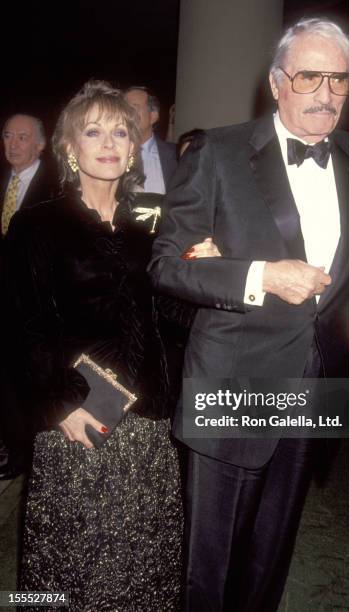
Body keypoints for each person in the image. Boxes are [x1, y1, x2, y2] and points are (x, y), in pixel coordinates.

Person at [149, 17, 349, 612]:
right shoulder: (218, 152)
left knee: (271, 555)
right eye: (309, 76)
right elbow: (166, 265)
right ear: (277, 83)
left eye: (339, 79)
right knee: (211, 567)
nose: (325, 93)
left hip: (314, 380)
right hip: (232, 377)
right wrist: (259, 276)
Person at [6, 80, 184, 611]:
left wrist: (200, 269)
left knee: (142, 560)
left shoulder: (149, 229)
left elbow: (166, 319)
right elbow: (23, 325)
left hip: (148, 422)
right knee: (71, 559)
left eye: (121, 132)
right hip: (78, 416)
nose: (109, 142)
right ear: (69, 147)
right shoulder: (37, 225)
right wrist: (58, 403)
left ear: (134, 148)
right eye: (94, 131)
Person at [0, 114, 58, 481]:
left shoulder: (54, 186)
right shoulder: (3, 182)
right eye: (7, 136)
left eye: (23, 137)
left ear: (41, 144)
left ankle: (25, 453)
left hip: (32, 304)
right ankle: (12, 445)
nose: (13, 144)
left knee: (26, 378)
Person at [124, 86, 177, 193]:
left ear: (153, 117)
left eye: (133, 108)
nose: (126, 114)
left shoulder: (176, 156)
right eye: (124, 109)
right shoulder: (111, 153)